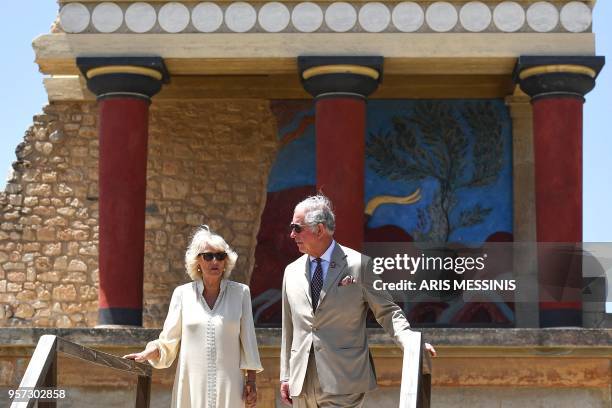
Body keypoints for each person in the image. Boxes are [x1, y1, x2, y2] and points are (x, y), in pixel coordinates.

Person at [280, 195, 436, 407]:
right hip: (302, 384)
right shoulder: (291, 271)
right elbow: (289, 328)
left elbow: (388, 311)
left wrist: (410, 341)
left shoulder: (359, 265)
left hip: (343, 380)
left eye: (297, 228)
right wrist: (286, 376)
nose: (292, 234)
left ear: (319, 229)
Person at [124, 225, 263, 408]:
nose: (215, 261)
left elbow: (249, 342)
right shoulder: (182, 294)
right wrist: (149, 352)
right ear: (197, 261)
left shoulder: (241, 293)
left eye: (220, 256)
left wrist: (251, 381)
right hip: (191, 387)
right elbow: (168, 341)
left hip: (229, 387)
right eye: (208, 256)